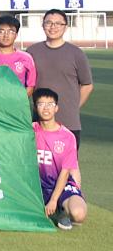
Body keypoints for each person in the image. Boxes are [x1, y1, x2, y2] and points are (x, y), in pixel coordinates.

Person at [27, 9, 93, 148]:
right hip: (39, 121)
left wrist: (74, 107)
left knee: (67, 162)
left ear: (65, 27)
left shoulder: (76, 53)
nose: (53, 27)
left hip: (68, 122)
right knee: (38, 161)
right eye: (49, 23)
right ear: (43, 25)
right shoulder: (32, 52)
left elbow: (87, 85)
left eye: (58, 23)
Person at [33, 87, 87, 230]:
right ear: (35, 107)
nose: (46, 108)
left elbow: (65, 172)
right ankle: (53, 209)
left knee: (79, 214)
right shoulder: (30, 131)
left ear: (56, 108)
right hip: (36, 186)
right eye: (41, 104)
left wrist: (53, 200)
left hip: (61, 185)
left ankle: (61, 210)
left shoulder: (67, 137)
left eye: (50, 104)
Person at [0, 15, 36, 95]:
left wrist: (17, 100)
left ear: (16, 35)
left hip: (18, 101)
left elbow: (30, 86)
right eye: (1, 31)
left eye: (11, 31)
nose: (6, 35)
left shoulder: (26, 58)